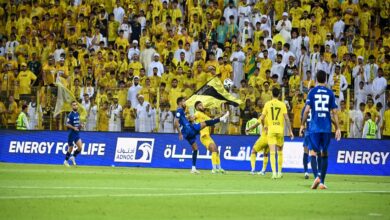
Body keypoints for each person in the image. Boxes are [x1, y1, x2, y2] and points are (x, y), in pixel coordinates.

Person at [300, 70, 341, 190]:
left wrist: (302, 125)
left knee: (314, 152)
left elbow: (307, 111)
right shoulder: (330, 93)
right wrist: (338, 127)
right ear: (326, 79)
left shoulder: (312, 92)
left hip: (314, 128)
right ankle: (322, 181)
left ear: (316, 79)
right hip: (326, 127)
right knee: (325, 152)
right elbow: (334, 112)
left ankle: (317, 176)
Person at [174, 97, 229, 174]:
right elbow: (175, 122)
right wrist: (179, 133)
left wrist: (188, 119)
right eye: (184, 101)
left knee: (195, 149)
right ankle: (222, 119)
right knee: (205, 123)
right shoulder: (179, 110)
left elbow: (183, 120)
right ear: (180, 103)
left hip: (187, 133)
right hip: (189, 130)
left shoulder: (182, 111)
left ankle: (193, 168)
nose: (185, 103)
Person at [257, 87, 294, 179]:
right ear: (279, 95)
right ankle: (279, 172)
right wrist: (290, 131)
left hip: (271, 130)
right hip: (280, 130)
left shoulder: (267, 104)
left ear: (271, 94)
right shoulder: (282, 105)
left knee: (272, 152)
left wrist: (255, 126)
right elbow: (287, 119)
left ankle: (274, 173)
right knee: (280, 152)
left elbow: (261, 118)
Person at [194, 101, 225, 174]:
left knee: (216, 151)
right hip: (204, 136)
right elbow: (193, 117)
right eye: (200, 105)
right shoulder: (197, 113)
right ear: (197, 107)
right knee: (214, 149)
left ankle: (219, 167)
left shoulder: (204, 115)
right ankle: (214, 169)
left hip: (208, 136)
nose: (202, 106)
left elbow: (212, 121)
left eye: (202, 105)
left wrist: (221, 115)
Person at [64, 101, 83, 167]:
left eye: (76, 105)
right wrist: (73, 128)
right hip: (71, 133)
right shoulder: (70, 115)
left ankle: (73, 157)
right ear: (72, 107)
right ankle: (66, 161)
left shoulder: (77, 114)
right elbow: (67, 124)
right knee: (70, 148)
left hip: (77, 133)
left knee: (80, 147)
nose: (75, 106)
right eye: (74, 105)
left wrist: (80, 125)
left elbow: (77, 123)